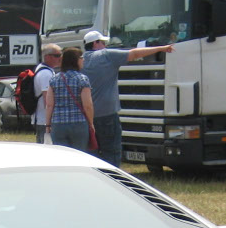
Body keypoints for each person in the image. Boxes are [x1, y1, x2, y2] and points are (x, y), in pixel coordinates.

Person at [82, 29, 174, 167]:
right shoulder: (106, 55)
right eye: (102, 42)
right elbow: (135, 53)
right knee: (111, 152)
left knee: (92, 154)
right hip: (107, 115)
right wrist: (162, 48)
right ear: (96, 43)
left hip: (86, 116)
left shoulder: (81, 60)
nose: (105, 45)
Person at [44, 47, 94, 153]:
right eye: (81, 58)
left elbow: (49, 105)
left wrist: (48, 125)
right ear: (75, 60)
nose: (83, 60)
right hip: (78, 123)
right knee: (79, 155)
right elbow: (87, 105)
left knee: (62, 156)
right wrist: (91, 123)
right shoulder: (82, 79)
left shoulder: (54, 79)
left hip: (58, 124)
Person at [31, 44, 61, 144]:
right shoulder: (46, 74)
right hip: (44, 121)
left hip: (42, 120)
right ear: (47, 57)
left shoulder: (42, 69)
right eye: (57, 55)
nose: (60, 58)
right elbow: (47, 100)